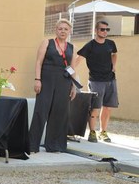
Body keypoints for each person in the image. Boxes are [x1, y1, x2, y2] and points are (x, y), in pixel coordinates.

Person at [29, 19, 78, 153]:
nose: (63, 31)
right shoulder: (47, 43)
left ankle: (54, 146)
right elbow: (38, 62)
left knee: (60, 113)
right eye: (60, 28)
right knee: (41, 111)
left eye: (65, 29)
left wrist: (74, 86)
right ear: (56, 30)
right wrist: (37, 79)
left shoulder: (72, 47)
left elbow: (72, 68)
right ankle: (32, 145)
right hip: (46, 80)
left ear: (69, 31)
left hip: (64, 82)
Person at [72, 20, 118, 143]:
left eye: (107, 30)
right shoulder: (90, 45)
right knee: (95, 107)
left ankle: (103, 132)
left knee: (108, 107)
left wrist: (114, 65)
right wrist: (68, 71)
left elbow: (114, 54)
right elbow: (78, 59)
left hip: (111, 80)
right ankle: (92, 132)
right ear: (96, 31)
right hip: (96, 81)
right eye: (102, 29)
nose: (105, 32)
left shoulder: (111, 43)